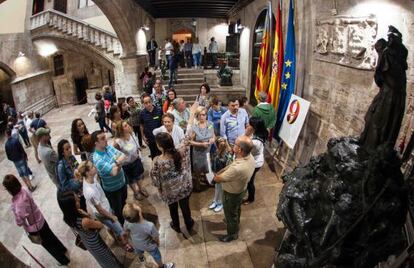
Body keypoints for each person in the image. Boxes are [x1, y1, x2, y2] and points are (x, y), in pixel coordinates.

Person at [3, 174, 70, 266]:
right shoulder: (24, 189)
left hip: (35, 228)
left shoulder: (18, 204)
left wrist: (14, 209)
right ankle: (62, 249)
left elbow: (20, 222)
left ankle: (63, 260)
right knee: (51, 236)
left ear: (9, 189)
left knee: (48, 246)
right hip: (40, 218)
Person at [75, 161, 131, 250]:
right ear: (87, 172)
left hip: (105, 207)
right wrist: (112, 217)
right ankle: (125, 244)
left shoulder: (91, 178)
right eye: (92, 166)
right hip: (103, 213)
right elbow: (100, 210)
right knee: (120, 230)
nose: (95, 166)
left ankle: (115, 236)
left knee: (110, 227)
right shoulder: (90, 192)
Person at [57, 191, 121, 268]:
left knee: (102, 258)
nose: (79, 199)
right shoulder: (84, 221)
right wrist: (90, 215)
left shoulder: (68, 217)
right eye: (76, 200)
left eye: (76, 196)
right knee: (107, 258)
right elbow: (100, 225)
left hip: (86, 239)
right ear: (71, 206)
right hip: (95, 243)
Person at [213, 136, 255, 242]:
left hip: (231, 193)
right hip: (241, 189)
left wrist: (214, 175)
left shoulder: (238, 168)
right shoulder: (250, 157)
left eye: (235, 144)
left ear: (240, 149)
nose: (232, 145)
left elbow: (218, 179)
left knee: (230, 213)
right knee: (236, 209)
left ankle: (232, 234)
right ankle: (236, 222)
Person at [151, 132, 194, 233]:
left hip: (169, 192)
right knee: (185, 208)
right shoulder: (181, 152)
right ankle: (189, 224)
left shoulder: (157, 161)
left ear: (159, 146)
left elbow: (155, 180)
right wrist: (192, 117)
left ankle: (176, 225)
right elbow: (186, 138)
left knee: (173, 209)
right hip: (183, 188)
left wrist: (159, 188)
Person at [92, 130, 128, 225]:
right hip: (113, 190)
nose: (106, 139)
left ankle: (126, 220)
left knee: (124, 202)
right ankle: (123, 226)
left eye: (105, 137)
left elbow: (123, 155)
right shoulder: (97, 159)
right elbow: (114, 172)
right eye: (102, 138)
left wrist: (115, 163)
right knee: (118, 210)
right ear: (96, 143)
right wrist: (118, 162)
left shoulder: (108, 148)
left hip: (122, 182)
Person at [123, 203, 175, 268]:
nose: (136, 204)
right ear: (139, 213)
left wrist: (126, 242)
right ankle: (162, 266)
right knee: (156, 255)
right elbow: (155, 237)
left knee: (139, 251)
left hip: (136, 243)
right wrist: (157, 243)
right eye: (135, 205)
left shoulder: (127, 221)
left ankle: (141, 258)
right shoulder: (149, 226)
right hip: (149, 245)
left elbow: (125, 232)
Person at [113, 121, 148, 200]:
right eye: (125, 126)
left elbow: (136, 145)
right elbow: (115, 154)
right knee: (131, 180)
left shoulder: (131, 134)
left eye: (127, 125)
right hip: (126, 165)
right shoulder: (118, 142)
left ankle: (141, 188)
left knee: (139, 177)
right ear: (121, 130)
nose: (128, 126)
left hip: (136, 160)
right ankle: (136, 192)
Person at [189, 107, 215, 191]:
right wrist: (201, 144)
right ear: (197, 116)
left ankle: (208, 181)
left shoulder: (210, 124)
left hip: (207, 151)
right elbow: (190, 142)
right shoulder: (195, 127)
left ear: (206, 115)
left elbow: (213, 135)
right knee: (198, 169)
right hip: (198, 152)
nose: (202, 117)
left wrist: (212, 139)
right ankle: (197, 183)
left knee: (207, 167)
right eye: (199, 115)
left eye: (203, 115)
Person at [243, 117, 268, 205]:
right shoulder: (259, 133)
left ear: (254, 127)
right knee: (249, 180)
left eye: (249, 124)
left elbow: (244, 151)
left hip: (255, 163)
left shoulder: (255, 142)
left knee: (250, 182)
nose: (247, 125)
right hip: (256, 159)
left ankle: (251, 198)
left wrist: (246, 135)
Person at [57, 139, 86, 210]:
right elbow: (65, 185)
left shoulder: (72, 158)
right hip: (75, 194)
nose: (70, 150)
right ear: (62, 152)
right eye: (67, 149)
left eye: (70, 147)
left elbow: (78, 167)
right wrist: (77, 182)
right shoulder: (61, 166)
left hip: (81, 188)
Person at [209, 137, 232, 212]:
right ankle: (215, 201)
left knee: (221, 189)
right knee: (217, 189)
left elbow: (228, 167)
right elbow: (213, 162)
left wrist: (220, 174)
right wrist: (213, 171)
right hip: (216, 174)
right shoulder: (216, 152)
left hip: (222, 175)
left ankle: (220, 203)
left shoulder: (227, 155)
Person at [140, 94, 163, 159]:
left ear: (152, 101)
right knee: (153, 155)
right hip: (150, 139)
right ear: (143, 104)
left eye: (149, 102)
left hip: (160, 138)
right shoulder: (142, 113)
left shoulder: (159, 110)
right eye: (146, 103)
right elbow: (141, 126)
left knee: (161, 154)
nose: (148, 104)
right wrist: (143, 137)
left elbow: (163, 123)